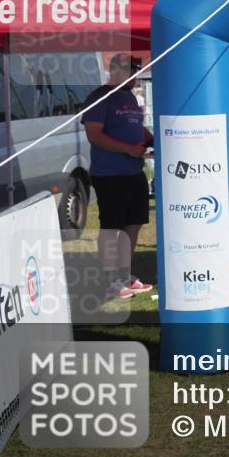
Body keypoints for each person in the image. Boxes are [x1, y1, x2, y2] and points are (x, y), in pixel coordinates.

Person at [81, 54, 155, 301]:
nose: (137, 75)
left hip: (135, 172)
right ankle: (110, 281)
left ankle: (124, 275)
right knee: (112, 228)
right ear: (117, 72)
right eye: (133, 70)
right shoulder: (100, 97)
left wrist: (153, 140)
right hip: (110, 175)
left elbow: (135, 128)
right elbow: (94, 135)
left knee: (133, 225)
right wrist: (127, 148)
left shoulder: (130, 96)